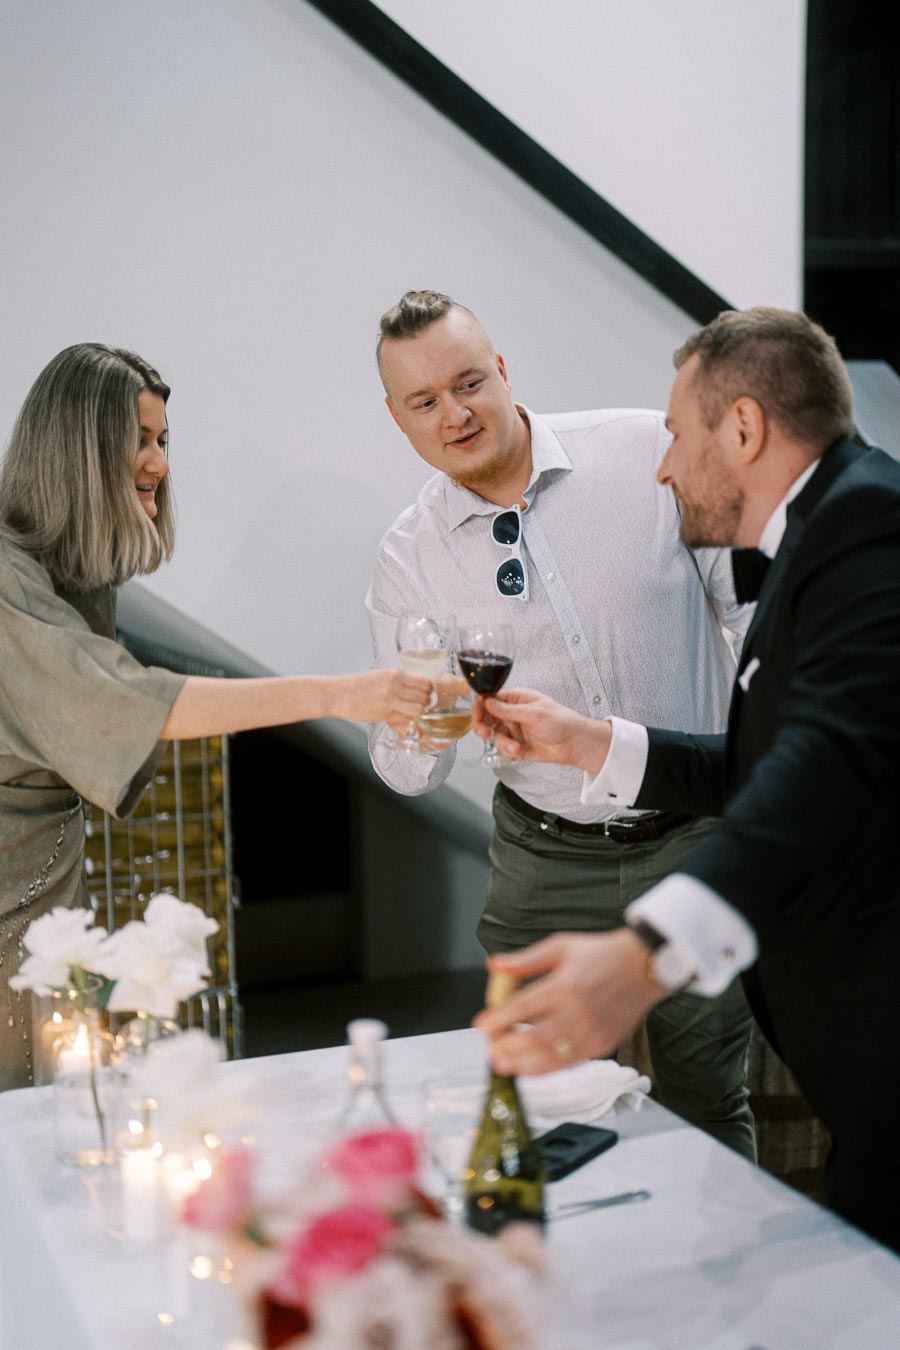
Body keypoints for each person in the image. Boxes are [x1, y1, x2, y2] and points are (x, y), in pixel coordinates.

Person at [474, 306, 900, 1252]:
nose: (664, 465)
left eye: (676, 433)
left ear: (742, 428)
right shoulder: (823, 532)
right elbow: (755, 766)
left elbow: (822, 766)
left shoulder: (867, 525)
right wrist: (591, 742)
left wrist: (644, 956)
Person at [366, 290, 756, 1157]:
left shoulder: (645, 453)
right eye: (425, 402)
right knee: (539, 1112)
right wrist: (422, 728)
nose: (455, 414)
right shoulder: (409, 555)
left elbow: (751, 617)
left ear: (502, 372)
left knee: (705, 1103)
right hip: (543, 862)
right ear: (399, 420)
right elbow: (405, 773)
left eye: (468, 383)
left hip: (694, 832)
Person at [0, 343, 432, 1092]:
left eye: (162, 440)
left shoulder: (73, 573)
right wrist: (337, 694)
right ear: (77, 446)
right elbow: (128, 699)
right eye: (139, 439)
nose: (160, 463)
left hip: (42, 906)